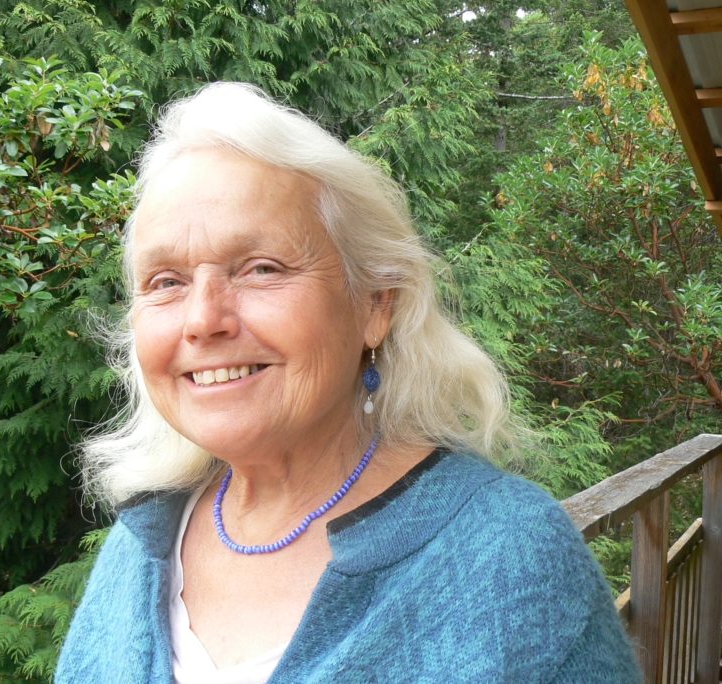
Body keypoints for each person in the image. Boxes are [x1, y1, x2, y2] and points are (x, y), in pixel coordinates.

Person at [55, 82, 640, 684]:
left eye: (261, 269)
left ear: (374, 305)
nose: (203, 320)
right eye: (166, 282)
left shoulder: (512, 556)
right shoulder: (140, 548)